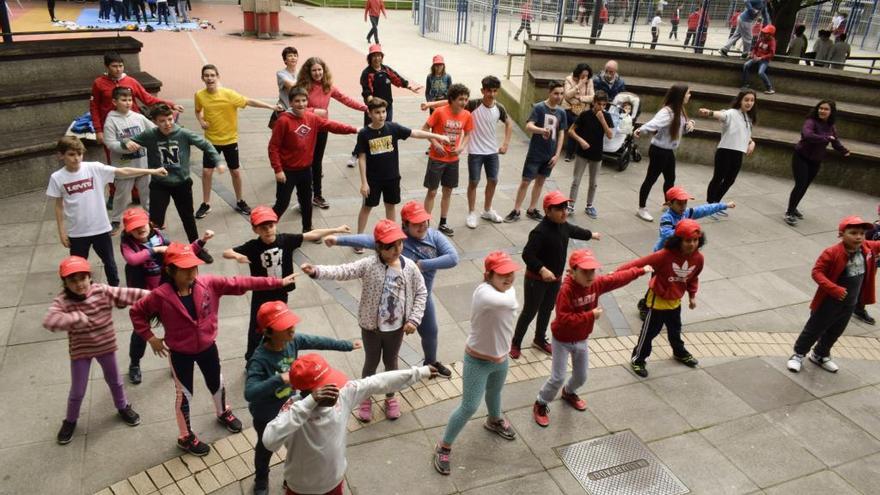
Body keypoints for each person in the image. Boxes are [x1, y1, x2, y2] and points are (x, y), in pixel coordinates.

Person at [130, 242, 296, 455]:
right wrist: (150, 337)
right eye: (185, 268)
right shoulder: (160, 296)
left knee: (217, 382)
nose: (192, 272)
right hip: (180, 353)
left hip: (208, 347)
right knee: (184, 395)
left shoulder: (207, 284)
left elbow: (240, 282)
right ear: (170, 270)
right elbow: (136, 312)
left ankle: (223, 412)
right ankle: (185, 437)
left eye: (194, 267)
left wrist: (276, 282)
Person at [300, 219, 427, 422]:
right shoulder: (368, 265)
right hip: (371, 328)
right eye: (390, 246)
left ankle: (390, 397)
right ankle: (365, 397)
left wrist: (414, 318)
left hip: (396, 329)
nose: (396, 249)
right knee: (371, 363)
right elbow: (343, 271)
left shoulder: (409, 267)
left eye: (399, 244)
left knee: (391, 362)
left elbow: (421, 292)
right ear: (378, 247)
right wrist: (317, 271)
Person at [264, 354, 438, 495]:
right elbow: (269, 440)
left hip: (334, 482)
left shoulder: (343, 394)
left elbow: (377, 382)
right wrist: (309, 403)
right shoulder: (294, 409)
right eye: (326, 386)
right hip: (301, 488)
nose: (335, 389)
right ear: (309, 392)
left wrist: (419, 372)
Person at [325, 201, 459, 377]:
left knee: (430, 332)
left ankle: (431, 364)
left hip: (421, 296)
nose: (422, 226)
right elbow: (367, 240)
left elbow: (453, 258)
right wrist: (337, 240)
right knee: (384, 355)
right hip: (395, 303)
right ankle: (377, 384)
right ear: (405, 224)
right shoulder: (396, 240)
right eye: (416, 223)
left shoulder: (435, 237)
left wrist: (422, 265)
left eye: (424, 221)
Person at [245, 303, 360, 495]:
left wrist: (346, 345)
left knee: (294, 446)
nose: (292, 328)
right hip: (266, 416)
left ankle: (290, 478)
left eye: (291, 322)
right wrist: (278, 379)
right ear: (268, 331)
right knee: (265, 449)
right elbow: (250, 393)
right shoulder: (259, 359)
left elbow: (318, 341)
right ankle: (261, 479)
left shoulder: (293, 341)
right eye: (284, 325)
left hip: (291, 410)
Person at [532, 250, 652, 426]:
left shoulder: (596, 283)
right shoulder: (566, 291)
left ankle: (569, 392)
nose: (590, 275)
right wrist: (590, 316)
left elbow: (617, 279)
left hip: (581, 338)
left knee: (581, 376)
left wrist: (640, 271)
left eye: (592, 271)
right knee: (557, 377)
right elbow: (564, 318)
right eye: (585, 271)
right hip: (562, 340)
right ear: (572, 272)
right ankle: (541, 403)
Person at [223, 206, 350, 361]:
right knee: (256, 328)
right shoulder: (252, 246)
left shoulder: (286, 240)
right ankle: (251, 358)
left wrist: (336, 229)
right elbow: (226, 252)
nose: (268, 230)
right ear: (255, 230)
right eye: (263, 228)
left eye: (271, 226)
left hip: (281, 293)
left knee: (279, 323)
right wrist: (237, 256)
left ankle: (276, 351)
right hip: (261, 294)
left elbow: (310, 235)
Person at [433, 251, 520, 475]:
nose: (509, 279)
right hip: (477, 360)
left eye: (511, 273)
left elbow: (510, 297)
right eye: (502, 274)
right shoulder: (485, 294)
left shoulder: (506, 290)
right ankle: (443, 446)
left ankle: (494, 420)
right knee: (469, 406)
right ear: (488, 275)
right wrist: (510, 291)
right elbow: (511, 302)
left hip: (500, 358)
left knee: (495, 393)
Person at [43, 256, 147, 445]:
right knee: (77, 391)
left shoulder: (102, 291)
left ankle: (123, 406)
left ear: (89, 277)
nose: (79, 284)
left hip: (106, 347)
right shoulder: (63, 301)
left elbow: (128, 294)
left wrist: (156, 295)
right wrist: (74, 318)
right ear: (64, 282)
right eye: (72, 280)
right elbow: (49, 321)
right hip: (81, 352)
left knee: (115, 381)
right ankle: (70, 421)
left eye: (82, 278)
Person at [47, 137, 166, 288]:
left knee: (109, 262)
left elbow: (123, 171)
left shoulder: (94, 168)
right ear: (61, 155)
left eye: (79, 153)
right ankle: (80, 292)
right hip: (77, 232)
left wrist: (152, 170)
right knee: (78, 266)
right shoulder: (57, 178)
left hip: (101, 229)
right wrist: (62, 232)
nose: (76, 158)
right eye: (71, 154)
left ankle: (114, 289)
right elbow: (58, 206)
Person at [119, 207, 212, 383]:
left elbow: (181, 252)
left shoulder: (159, 237)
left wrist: (201, 242)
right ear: (127, 230)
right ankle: (135, 363)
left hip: (166, 294)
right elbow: (132, 260)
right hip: (146, 297)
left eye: (142, 224)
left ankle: (176, 361)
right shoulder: (128, 245)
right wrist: (156, 250)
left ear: (149, 222)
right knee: (140, 333)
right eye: (134, 227)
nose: (140, 229)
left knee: (175, 329)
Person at [510, 191, 599, 358]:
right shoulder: (539, 232)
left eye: (565, 208)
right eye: (559, 209)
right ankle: (516, 342)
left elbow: (575, 230)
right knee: (530, 311)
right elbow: (527, 255)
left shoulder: (563, 225)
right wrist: (542, 269)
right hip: (536, 281)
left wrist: (590, 235)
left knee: (547, 309)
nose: (564, 212)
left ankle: (539, 339)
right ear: (548, 211)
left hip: (555, 280)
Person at [787, 216, 880, 373]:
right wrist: (833, 288)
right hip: (829, 302)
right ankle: (798, 355)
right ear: (841, 234)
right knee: (814, 329)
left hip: (850, 303)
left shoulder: (867, 248)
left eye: (862, 233)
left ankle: (820, 354)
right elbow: (817, 272)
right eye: (853, 233)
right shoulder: (832, 252)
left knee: (836, 330)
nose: (859, 237)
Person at [128, 104, 219, 263]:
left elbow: (206, 145)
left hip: (181, 183)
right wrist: (127, 144)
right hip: (159, 183)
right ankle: (151, 249)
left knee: (188, 218)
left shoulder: (183, 133)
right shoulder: (150, 135)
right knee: (155, 221)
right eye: (162, 121)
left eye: (170, 119)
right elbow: (128, 143)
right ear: (155, 121)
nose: (167, 123)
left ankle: (197, 248)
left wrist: (217, 161)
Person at [423, 75, 513, 228]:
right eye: (488, 91)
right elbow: (450, 102)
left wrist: (505, 144)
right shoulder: (473, 104)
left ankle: (487, 210)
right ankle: (470, 213)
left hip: (490, 151)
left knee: (493, 180)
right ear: (482, 91)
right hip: (473, 152)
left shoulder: (498, 108)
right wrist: (430, 104)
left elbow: (509, 123)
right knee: (473, 182)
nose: (491, 94)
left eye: (495, 91)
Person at [619, 219, 704, 377]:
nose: (692, 244)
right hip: (657, 300)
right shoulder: (664, 255)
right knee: (649, 333)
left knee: (675, 330)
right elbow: (639, 263)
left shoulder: (698, 258)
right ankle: (638, 359)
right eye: (687, 240)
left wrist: (692, 296)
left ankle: (679, 352)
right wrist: (617, 273)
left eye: (695, 240)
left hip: (675, 301)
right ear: (678, 241)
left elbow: (693, 278)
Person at [195, 64, 280, 219]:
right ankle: (206, 204)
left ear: (217, 77)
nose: (209, 78)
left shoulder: (229, 94)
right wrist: (201, 120)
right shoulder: (199, 95)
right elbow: (197, 110)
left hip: (229, 140)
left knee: (235, 172)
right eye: (206, 76)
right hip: (211, 140)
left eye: (212, 75)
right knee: (207, 172)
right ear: (202, 78)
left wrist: (271, 106)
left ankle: (240, 201)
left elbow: (249, 102)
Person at [355, 98, 449, 237]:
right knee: (367, 207)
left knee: (390, 206)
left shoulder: (392, 128)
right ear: (369, 113)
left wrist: (436, 135)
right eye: (377, 112)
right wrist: (364, 182)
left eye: (383, 111)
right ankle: (359, 237)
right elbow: (361, 158)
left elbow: (415, 133)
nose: (381, 115)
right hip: (373, 180)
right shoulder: (364, 133)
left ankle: (391, 235)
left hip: (392, 177)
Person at [268, 87, 357, 232]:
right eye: (297, 101)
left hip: (305, 170)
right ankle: (266, 227)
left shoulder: (312, 118)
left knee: (306, 202)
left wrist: (354, 129)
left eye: (304, 100)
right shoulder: (283, 121)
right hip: (287, 172)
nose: (301, 104)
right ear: (290, 102)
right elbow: (273, 147)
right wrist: (278, 170)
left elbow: (332, 126)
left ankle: (308, 229)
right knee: (282, 203)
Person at [295, 57, 368, 210]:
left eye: (319, 69)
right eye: (314, 70)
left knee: (317, 162)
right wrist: (314, 111)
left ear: (324, 70)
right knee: (305, 163)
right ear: (308, 72)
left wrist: (364, 108)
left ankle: (317, 195)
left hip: (322, 129)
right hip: (306, 129)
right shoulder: (303, 86)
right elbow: (295, 107)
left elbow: (345, 99)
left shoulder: (328, 86)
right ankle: (304, 197)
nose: (317, 73)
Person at [347, 45, 423, 168]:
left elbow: (397, 79)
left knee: (386, 131)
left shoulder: (386, 70)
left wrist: (409, 86)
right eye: (374, 56)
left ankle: (384, 154)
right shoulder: (367, 73)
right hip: (373, 110)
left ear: (382, 57)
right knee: (367, 132)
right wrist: (372, 105)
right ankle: (356, 155)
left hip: (388, 108)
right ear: (370, 58)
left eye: (379, 56)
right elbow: (367, 91)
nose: (377, 58)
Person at [504, 82, 567, 223]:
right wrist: (541, 130)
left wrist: (557, 155)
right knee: (526, 181)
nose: (559, 96)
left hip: (550, 154)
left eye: (561, 94)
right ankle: (516, 210)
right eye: (556, 93)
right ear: (549, 93)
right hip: (536, 153)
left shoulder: (561, 112)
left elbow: (561, 133)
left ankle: (532, 209)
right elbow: (529, 125)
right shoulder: (539, 108)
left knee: (540, 181)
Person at [784, 100, 850, 226]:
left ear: (831, 112)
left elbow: (835, 141)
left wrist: (844, 151)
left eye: (826, 109)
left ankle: (794, 207)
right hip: (801, 156)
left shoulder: (831, 126)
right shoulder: (810, 121)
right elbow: (807, 135)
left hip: (815, 160)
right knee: (800, 184)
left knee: (805, 185)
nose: (822, 111)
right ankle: (789, 212)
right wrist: (825, 138)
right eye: (820, 108)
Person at [634, 83, 694, 222]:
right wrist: (640, 130)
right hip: (659, 151)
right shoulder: (667, 112)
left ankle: (668, 205)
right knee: (651, 179)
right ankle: (641, 208)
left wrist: (690, 124)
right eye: (688, 93)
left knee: (670, 178)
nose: (690, 96)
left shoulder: (680, 110)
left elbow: (682, 129)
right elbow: (653, 124)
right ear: (681, 95)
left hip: (668, 151)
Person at [421, 83, 475, 237]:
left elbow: (468, 134)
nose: (464, 102)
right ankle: (426, 223)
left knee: (448, 191)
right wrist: (435, 143)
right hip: (437, 158)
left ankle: (443, 222)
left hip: (453, 159)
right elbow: (424, 130)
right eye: (460, 99)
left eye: (466, 99)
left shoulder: (467, 115)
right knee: (432, 191)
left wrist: (461, 148)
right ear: (451, 99)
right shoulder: (439, 112)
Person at [103, 87, 157, 235]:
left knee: (147, 195)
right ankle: (115, 220)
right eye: (123, 100)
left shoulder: (138, 117)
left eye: (129, 100)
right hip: (124, 168)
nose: (127, 103)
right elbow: (109, 143)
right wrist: (124, 145)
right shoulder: (111, 120)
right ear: (114, 101)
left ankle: (152, 219)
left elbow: (153, 130)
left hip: (142, 166)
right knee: (121, 196)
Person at [699, 90, 757, 204]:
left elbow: (744, 134)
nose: (749, 103)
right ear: (740, 100)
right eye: (746, 100)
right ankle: (710, 204)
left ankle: (716, 203)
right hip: (725, 151)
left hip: (738, 153)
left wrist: (752, 142)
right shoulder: (732, 113)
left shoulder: (748, 117)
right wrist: (709, 112)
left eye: (752, 100)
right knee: (718, 178)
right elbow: (722, 115)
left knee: (730, 180)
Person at [567, 90, 613, 219]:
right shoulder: (585, 115)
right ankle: (570, 205)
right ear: (593, 102)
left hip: (597, 154)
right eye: (599, 104)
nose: (601, 107)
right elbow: (571, 131)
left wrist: (602, 120)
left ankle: (589, 205)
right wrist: (581, 141)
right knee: (576, 180)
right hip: (582, 153)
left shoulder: (606, 116)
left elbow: (610, 135)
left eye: (604, 105)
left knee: (593, 183)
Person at [562, 63, 595, 162]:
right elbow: (567, 96)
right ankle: (569, 154)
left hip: (584, 109)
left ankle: (576, 152)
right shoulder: (569, 79)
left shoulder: (590, 82)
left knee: (586, 125)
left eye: (587, 75)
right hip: (570, 108)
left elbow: (593, 97)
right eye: (583, 75)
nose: (585, 77)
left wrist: (580, 98)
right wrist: (579, 85)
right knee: (574, 126)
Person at [854, 206, 880, 325]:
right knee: (860, 284)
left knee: (866, 284)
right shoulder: (873, 230)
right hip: (866, 262)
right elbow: (861, 245)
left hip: (874, 262)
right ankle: (857, 308)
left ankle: (858, 307)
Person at [741, 24, 777, 95]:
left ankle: (769, 88)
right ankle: (745, 85)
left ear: (770, 34)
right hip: (756, 57)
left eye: (766, 33)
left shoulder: (772, 42)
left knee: (760, 72)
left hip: (764, 60)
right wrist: (753, 54)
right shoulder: (761, 39)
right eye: (764, 32)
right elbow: (755, 48)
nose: (764, 34)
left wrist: (761, 58)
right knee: (746, 65)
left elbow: (771, 54)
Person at [275, 46, 299, 112]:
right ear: (285, 60)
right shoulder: (280, 74)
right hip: (283, 109)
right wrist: (304, 79)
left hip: (298, 110)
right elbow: (291, 86)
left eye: (295, 55)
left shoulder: (301, 72)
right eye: (290, 56)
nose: (293, 58)